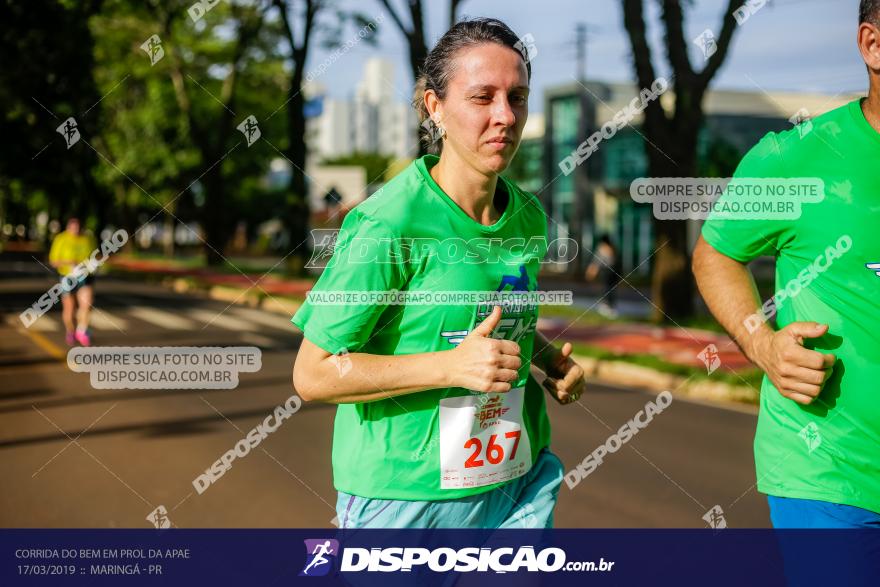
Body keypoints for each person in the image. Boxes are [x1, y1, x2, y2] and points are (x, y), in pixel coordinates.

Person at [291, 17, 585, 529]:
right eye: (482, 97)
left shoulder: (528, 215)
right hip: (405, 501)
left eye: (517, 97)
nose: (505, 116)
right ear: (435, 107)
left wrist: (546, 361)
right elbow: (313, 374)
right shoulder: (390, 222)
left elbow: (492, 316)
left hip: (516, 484)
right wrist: (449, 368)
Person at [693, 0, 880, 529]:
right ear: (872, 45)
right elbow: (716, 256)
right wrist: (761, 343)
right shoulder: (794, 160)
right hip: (830, 476)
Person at [48, 217, 97, 346]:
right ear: (68, 228)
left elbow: (95, 255)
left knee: (87, 304)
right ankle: (70, 330)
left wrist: (93, 262)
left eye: (78, 229)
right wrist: (69, 263)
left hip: (84, 276)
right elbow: (53, 261)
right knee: (69, 308)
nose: (76, 231)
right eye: (73, 229)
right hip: (67, 277)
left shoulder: (88, 238)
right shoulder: (61, 239)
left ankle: (81, 331)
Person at [584, 234, 620, 318]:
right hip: (611, 271)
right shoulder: (611, 248)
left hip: (609, 271)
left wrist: (591, 272)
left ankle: (608, 306)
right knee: (609, 288)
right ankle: (608, 306)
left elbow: (597, 261)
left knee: (608, 288)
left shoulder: (604, 248)